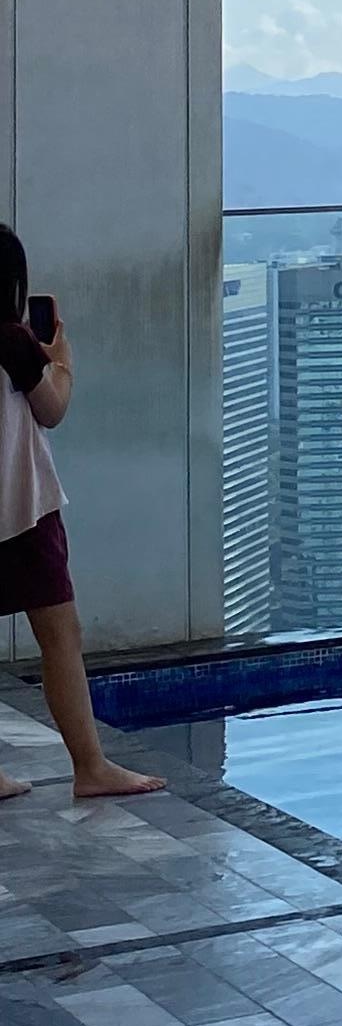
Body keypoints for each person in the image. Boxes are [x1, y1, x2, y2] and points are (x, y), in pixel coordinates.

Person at [0, 230, 163, 802]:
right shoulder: (12, 340)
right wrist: (62, 362)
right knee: (60, 634)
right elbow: (52, 410)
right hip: (19, 507)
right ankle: (90, 766)